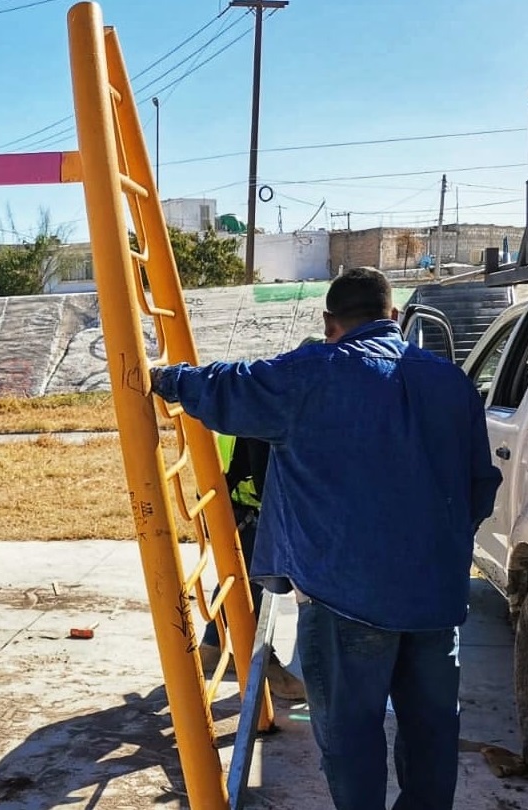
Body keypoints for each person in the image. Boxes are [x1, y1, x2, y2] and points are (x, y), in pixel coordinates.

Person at [149, 268, 501, 810]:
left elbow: (226, 387)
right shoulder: (450, 382)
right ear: (396, 319)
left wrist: (166, 379)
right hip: (437, 599)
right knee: (433, 733)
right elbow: (481, 485)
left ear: (329, 324)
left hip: (346, 599)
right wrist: (439, 547)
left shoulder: (311, 375)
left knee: (351, 739)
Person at [198, 433, 307, 703]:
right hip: (244, 498)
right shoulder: (263, 399)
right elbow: (261, 468)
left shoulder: (241, 393)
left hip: (225, 489)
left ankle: (212, 646)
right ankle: (265, 667)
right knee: (254, 580)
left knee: (238, 574)